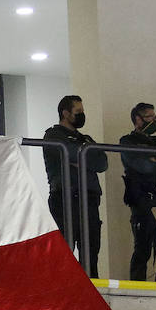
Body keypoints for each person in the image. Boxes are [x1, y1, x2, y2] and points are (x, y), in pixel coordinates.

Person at [42, 95, 106, 277]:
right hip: (65, 200)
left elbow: (102, 163)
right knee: (64, 254)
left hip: (90, 200)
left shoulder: (86, 138)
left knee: (91, 253)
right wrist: (84, 158)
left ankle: (92, 296)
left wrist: (81, 160)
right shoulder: (53, 136)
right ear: (65, 113)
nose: (82, 115)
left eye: (82, 111)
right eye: (78, 112)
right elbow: (70, 154)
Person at [119, 102, 156, 281]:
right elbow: (144, 166)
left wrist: (154, 159)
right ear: (138, 119)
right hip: (143, 201)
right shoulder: (127, 142)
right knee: (142, 249)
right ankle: (138, 292)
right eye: (150, 117)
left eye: (154, 116)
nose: (155, 120)